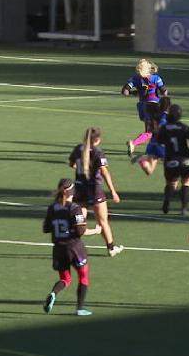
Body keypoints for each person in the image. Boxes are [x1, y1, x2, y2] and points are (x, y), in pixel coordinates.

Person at [42, 178, 103, 316]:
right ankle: (80, 308)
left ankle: (54, 293)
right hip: (74, 248)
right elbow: (81, 231)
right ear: (72, 192)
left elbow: (46, 228)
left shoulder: (52, 208)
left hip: (58, 249)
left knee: (65, 279)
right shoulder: (74, 208)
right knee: (83, 276)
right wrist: (95, 230)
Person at [68, 127, 124, 256]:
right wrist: (113, 191)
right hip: (94, 190)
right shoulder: (98, 152)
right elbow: (104, 172)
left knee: (79, 221)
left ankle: (72, 246)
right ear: (97, 139)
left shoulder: (78, 149)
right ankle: (111, 248)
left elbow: (72, 164)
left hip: (80, 188)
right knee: (103, 221)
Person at [153, 104, 189, 215]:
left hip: (170, 160)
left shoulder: (164, 129)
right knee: (186, 182)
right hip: (185, 160)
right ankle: (184, 208)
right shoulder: (184, 127)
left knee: (172, 183)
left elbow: (159, 143)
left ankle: (167, 199)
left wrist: (158, 156)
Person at [121, 59, 169, 157]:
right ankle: (134, 143)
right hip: (153, 107)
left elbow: (124, 91)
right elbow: (164, 91)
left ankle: (153, 149)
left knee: (155, 129)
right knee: (151, 131)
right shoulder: (156, 78)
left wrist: (134, 93)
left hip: (142, 107)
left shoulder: (135, 78)